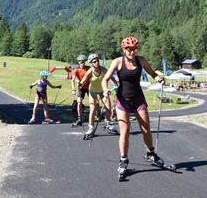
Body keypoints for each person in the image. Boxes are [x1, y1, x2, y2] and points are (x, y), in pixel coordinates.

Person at [102, 36, 167, 178]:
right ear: (124, 49)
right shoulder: (118, 62)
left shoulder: (141, 60)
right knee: (124, 132)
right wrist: (105, 90)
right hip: (122, 100)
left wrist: (159, 79)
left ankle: (151, 153)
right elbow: (105, 79)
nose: (131, 52)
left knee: (146, 129)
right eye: (128, 49)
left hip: (138, 99)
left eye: (134, 49)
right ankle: (123, 160)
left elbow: (153, 74)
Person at [80, 53, 118, 139]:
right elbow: (84, 79)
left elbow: (111, 77)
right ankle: (91, 127)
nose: (96, 63)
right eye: (94, 61)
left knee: (108, 107)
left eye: (97, 61)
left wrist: (117, 84)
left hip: (103, 91)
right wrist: (80, 85)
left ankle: (108, 124)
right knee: (92, 109)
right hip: (93, 91)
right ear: (91, 63)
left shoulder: (103, 69)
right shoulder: (90, 71)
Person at [71, 54, 90, 126]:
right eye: (80, 62)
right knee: (79, 102)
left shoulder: (88, 68)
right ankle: (79, 118)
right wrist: (73, 89)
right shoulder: (76, 70)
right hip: (81, 88)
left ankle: (98, 114)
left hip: (89, 87)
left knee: (94, 102)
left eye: (83, 62)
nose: (82, 63)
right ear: (78, 62)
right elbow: (72, 80)